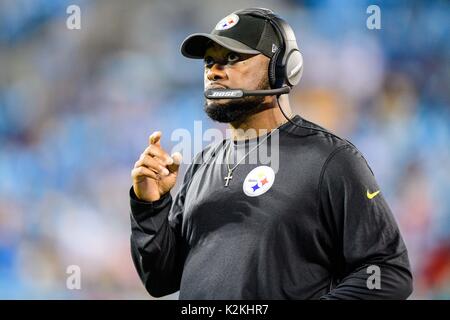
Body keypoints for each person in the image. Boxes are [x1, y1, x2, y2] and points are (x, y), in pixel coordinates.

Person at [129, 8, 413, 299]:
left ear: (282, 68)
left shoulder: (330, 160)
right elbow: (160, 279)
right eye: (209, 61)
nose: (213, 70)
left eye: (232, 58)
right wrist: (150, 207)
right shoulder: (202, 164)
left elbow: (389, 272)